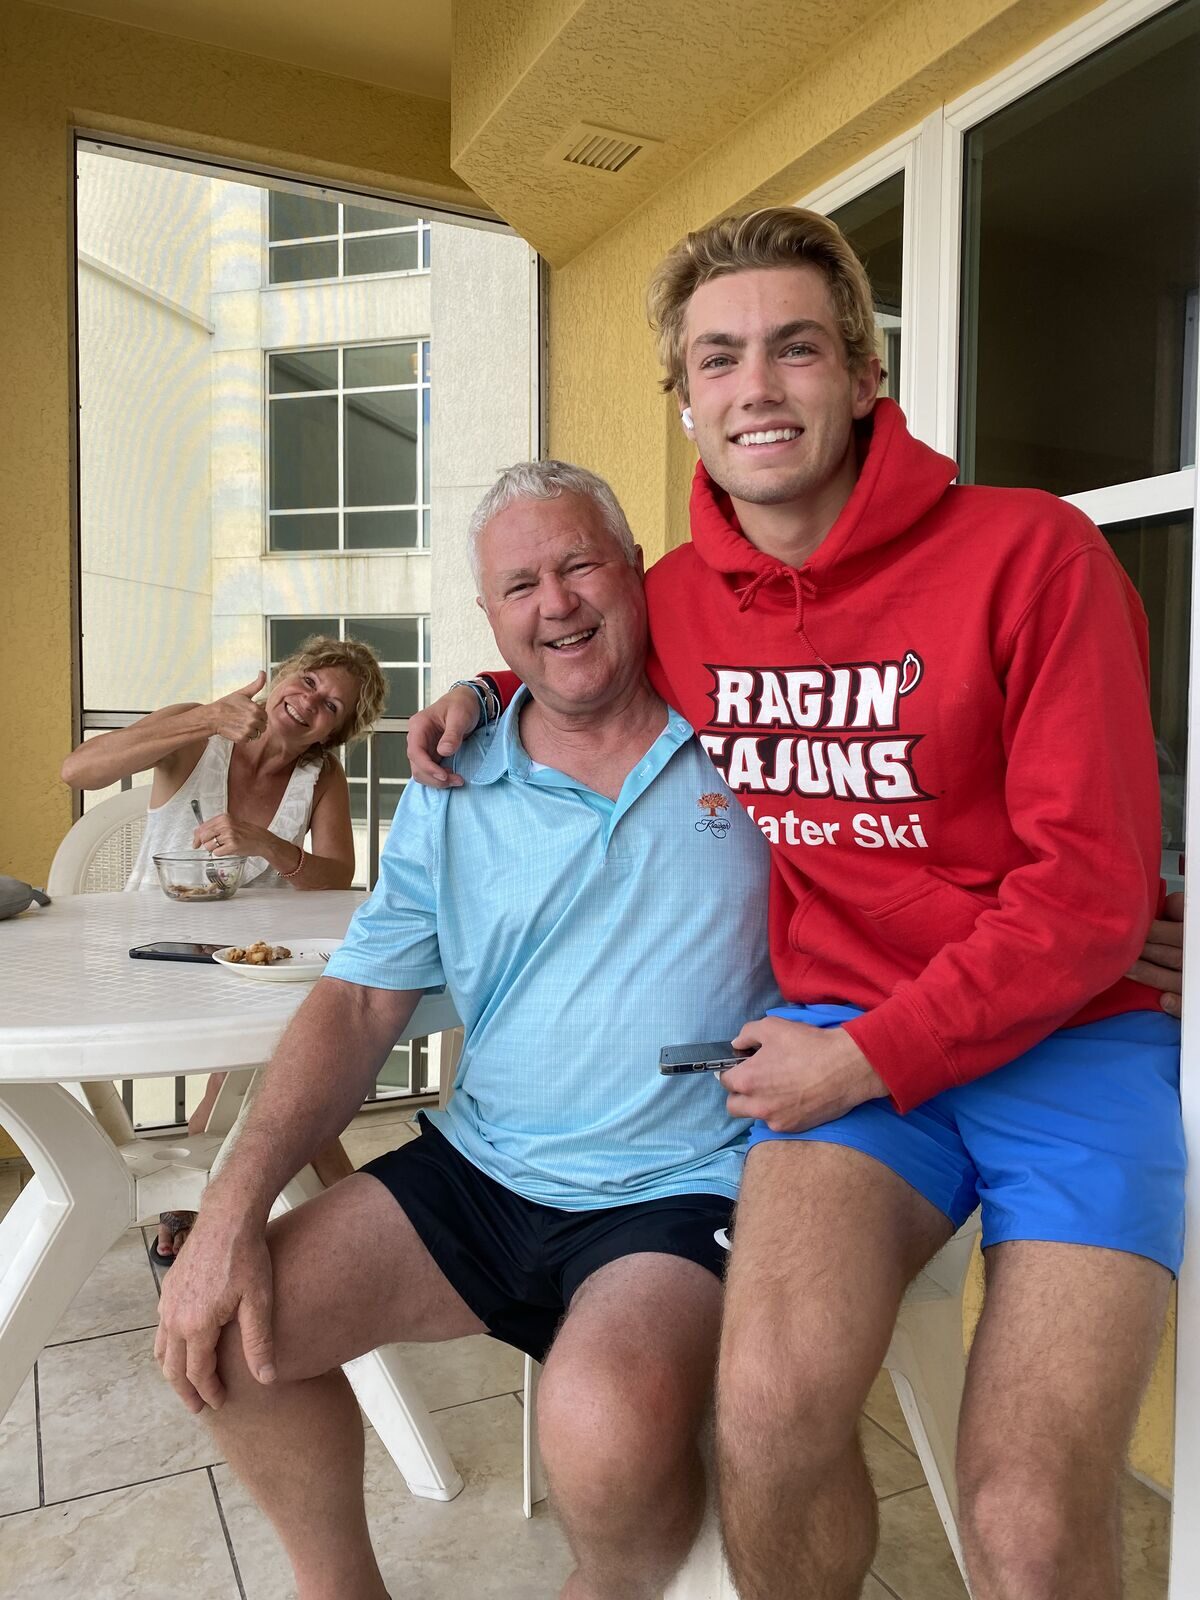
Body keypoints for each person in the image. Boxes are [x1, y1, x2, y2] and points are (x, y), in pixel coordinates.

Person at [409, 209, 1185, 1600]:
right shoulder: (677, 600)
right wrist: (481, 696)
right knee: (764, 1416)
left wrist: (862, 1055)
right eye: (719, 358)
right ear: (688, 398)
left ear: (864, 373)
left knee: (1025, 1517)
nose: (757, 386)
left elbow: (1089, 896)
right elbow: (566, 645)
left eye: (795, 348)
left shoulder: (1036, 555)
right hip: (859, 1052)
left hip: (1070, 1040)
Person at [152, 463, 781, 1600]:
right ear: (489, 618)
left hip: (683, 1180)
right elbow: (355, 1002)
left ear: (636, 572)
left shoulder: (746, 733)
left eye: (582, 563)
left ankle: (620, 1581)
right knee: (225, 1324)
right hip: (487, 1164)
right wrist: (232, 1207)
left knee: (609, 1425)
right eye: (520, 584)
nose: (559, 603)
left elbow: (911, 834)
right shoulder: (453, 779)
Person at [62, 635, 387, 1262]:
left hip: (247, 965)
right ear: (284, 676)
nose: (312, 702)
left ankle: (198, 1207)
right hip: (146, 954)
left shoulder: (320, 777)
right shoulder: (198, 732)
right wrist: (207, 716)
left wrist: (264, 843)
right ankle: (350, 1221)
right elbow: (78, 770)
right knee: (291, 1071)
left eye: (332, 708)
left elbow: (336, 873)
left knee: (286, 1058)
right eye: (312, 682)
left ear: (331, 734)